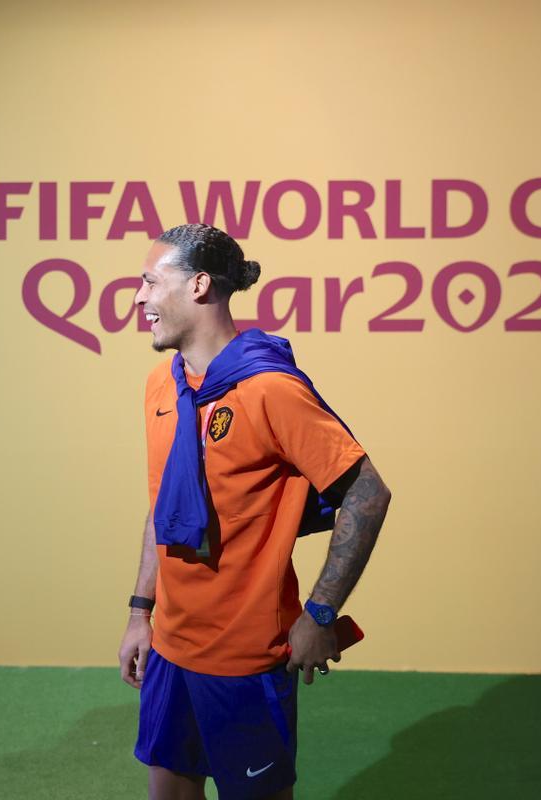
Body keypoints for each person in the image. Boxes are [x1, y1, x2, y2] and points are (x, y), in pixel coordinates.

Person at [118, 224, 392, 800]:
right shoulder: (160, 385)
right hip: (170, 648)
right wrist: (141, 612)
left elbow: (367, 494)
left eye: (149, 282)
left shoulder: (271, 389)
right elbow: (162, 504)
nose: (138, 298)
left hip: (246, 659)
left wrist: (319, 615)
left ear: (197, 286)